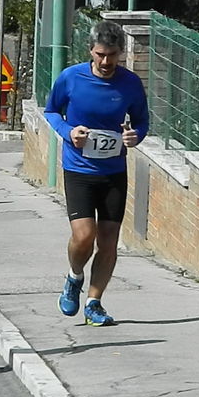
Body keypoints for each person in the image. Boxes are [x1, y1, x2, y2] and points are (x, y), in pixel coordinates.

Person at [44, 20, 149, 326]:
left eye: (113, 55)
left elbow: (141, 121)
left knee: (109, 240)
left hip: (114, 171)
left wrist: (135, 137)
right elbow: (51, 111)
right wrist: (68, 132)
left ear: (121, 53)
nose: (106, 61)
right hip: (79, 168)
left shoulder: (130, 83)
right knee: (84, 235)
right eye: (101, 54)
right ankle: (74, 276)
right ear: (90, 50)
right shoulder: (71, 78)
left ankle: (94, 302)